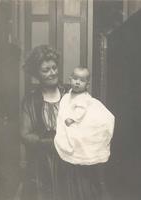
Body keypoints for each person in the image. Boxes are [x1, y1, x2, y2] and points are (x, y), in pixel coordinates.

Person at [20, 45, 69, 200]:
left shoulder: (69, 94)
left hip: (69, 163)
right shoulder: (30, 100)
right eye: (45, 70)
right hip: (41, 166)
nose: (52, 73)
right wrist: (50, 142)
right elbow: (25, 134)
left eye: (54, 68)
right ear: (37, 74)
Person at [54, 67, 115, 165]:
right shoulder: (68, 94)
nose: (77, 82)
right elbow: (66, 104)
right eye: (75, 79)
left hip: (78, 119)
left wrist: (72, 119)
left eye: (82, 81)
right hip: (71, 116)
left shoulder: (84, 98)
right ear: (70, 79)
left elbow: (81, 111)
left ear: (87, 85)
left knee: (79, 138)